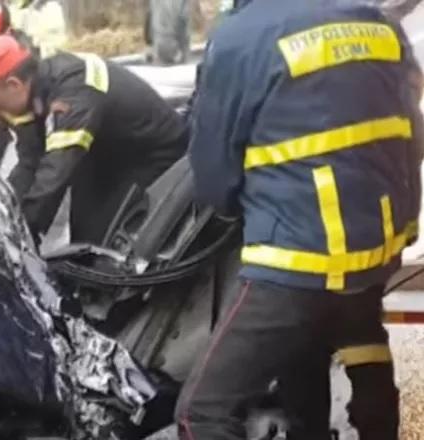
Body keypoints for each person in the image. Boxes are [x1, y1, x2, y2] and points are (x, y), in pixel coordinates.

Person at [178, 0, 424, 438]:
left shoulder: (240, 36)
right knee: (345, 328)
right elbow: (413, 131)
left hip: (296, 257)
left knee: (201, 412)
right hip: (375, 244)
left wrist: (237, 206)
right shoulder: (374, 22)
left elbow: (214, 173)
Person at [0, 35, 188, 245]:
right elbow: (30, 162)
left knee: (105, 242)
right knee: (82, 235)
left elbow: (55, 172)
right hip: (107, 150)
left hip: (152, 155)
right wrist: (4, 211)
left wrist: (21, 233)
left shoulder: (73, 95)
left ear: (14, 84)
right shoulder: (35, 90)